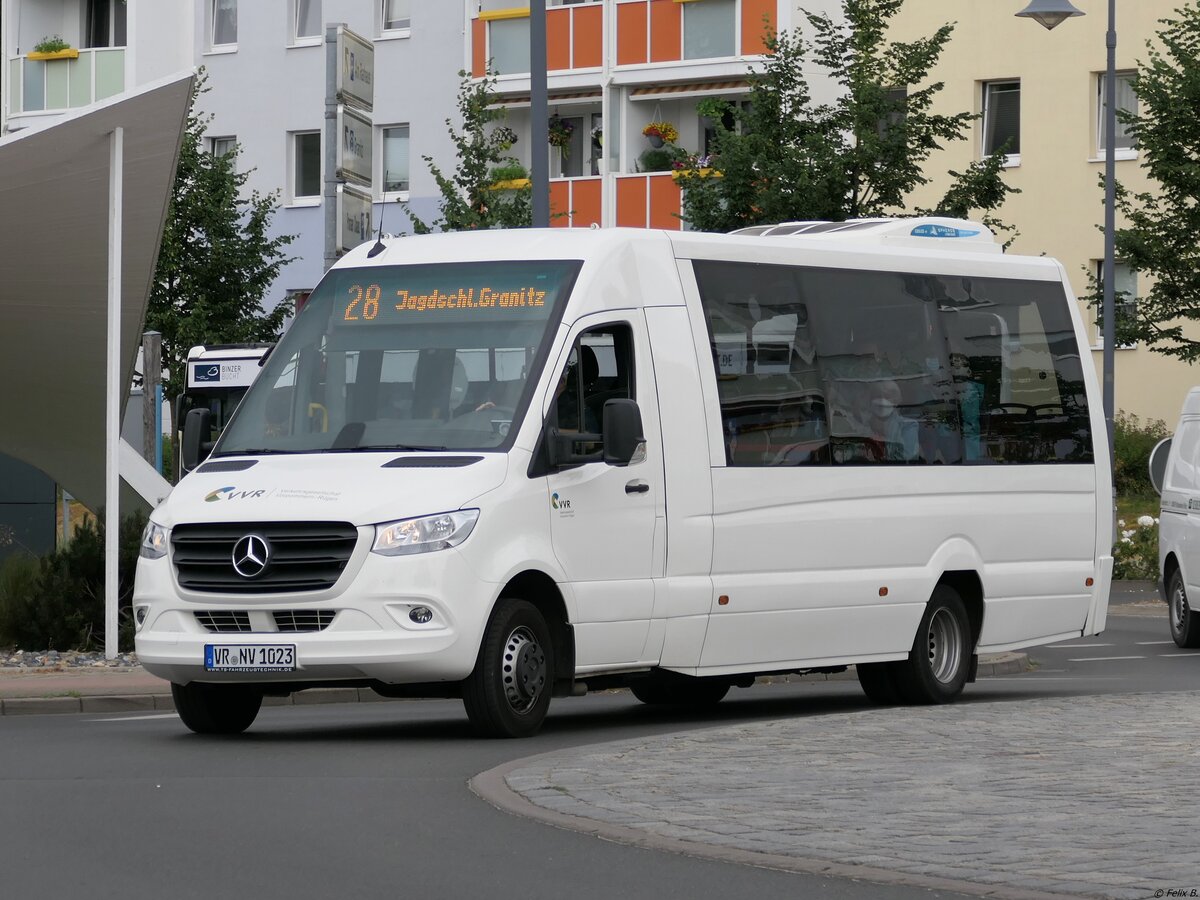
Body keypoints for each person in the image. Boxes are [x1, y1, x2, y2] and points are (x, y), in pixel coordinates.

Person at [864, 380, 918, 461]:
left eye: (888, 396)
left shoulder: (908, 425)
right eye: (878, 395)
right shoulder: (862, 424)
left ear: (898, 400)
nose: (882, 400)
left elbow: (905, 458)